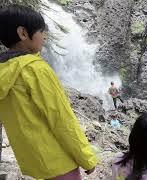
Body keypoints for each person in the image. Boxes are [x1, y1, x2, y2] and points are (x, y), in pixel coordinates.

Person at [0, 5, 97, 180]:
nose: (44, 36)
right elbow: (61, 119)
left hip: (34, 164)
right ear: (23, 33)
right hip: (59, 162)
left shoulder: (4, 72)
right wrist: (87, 158)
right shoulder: (36, 69)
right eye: (41, 31)